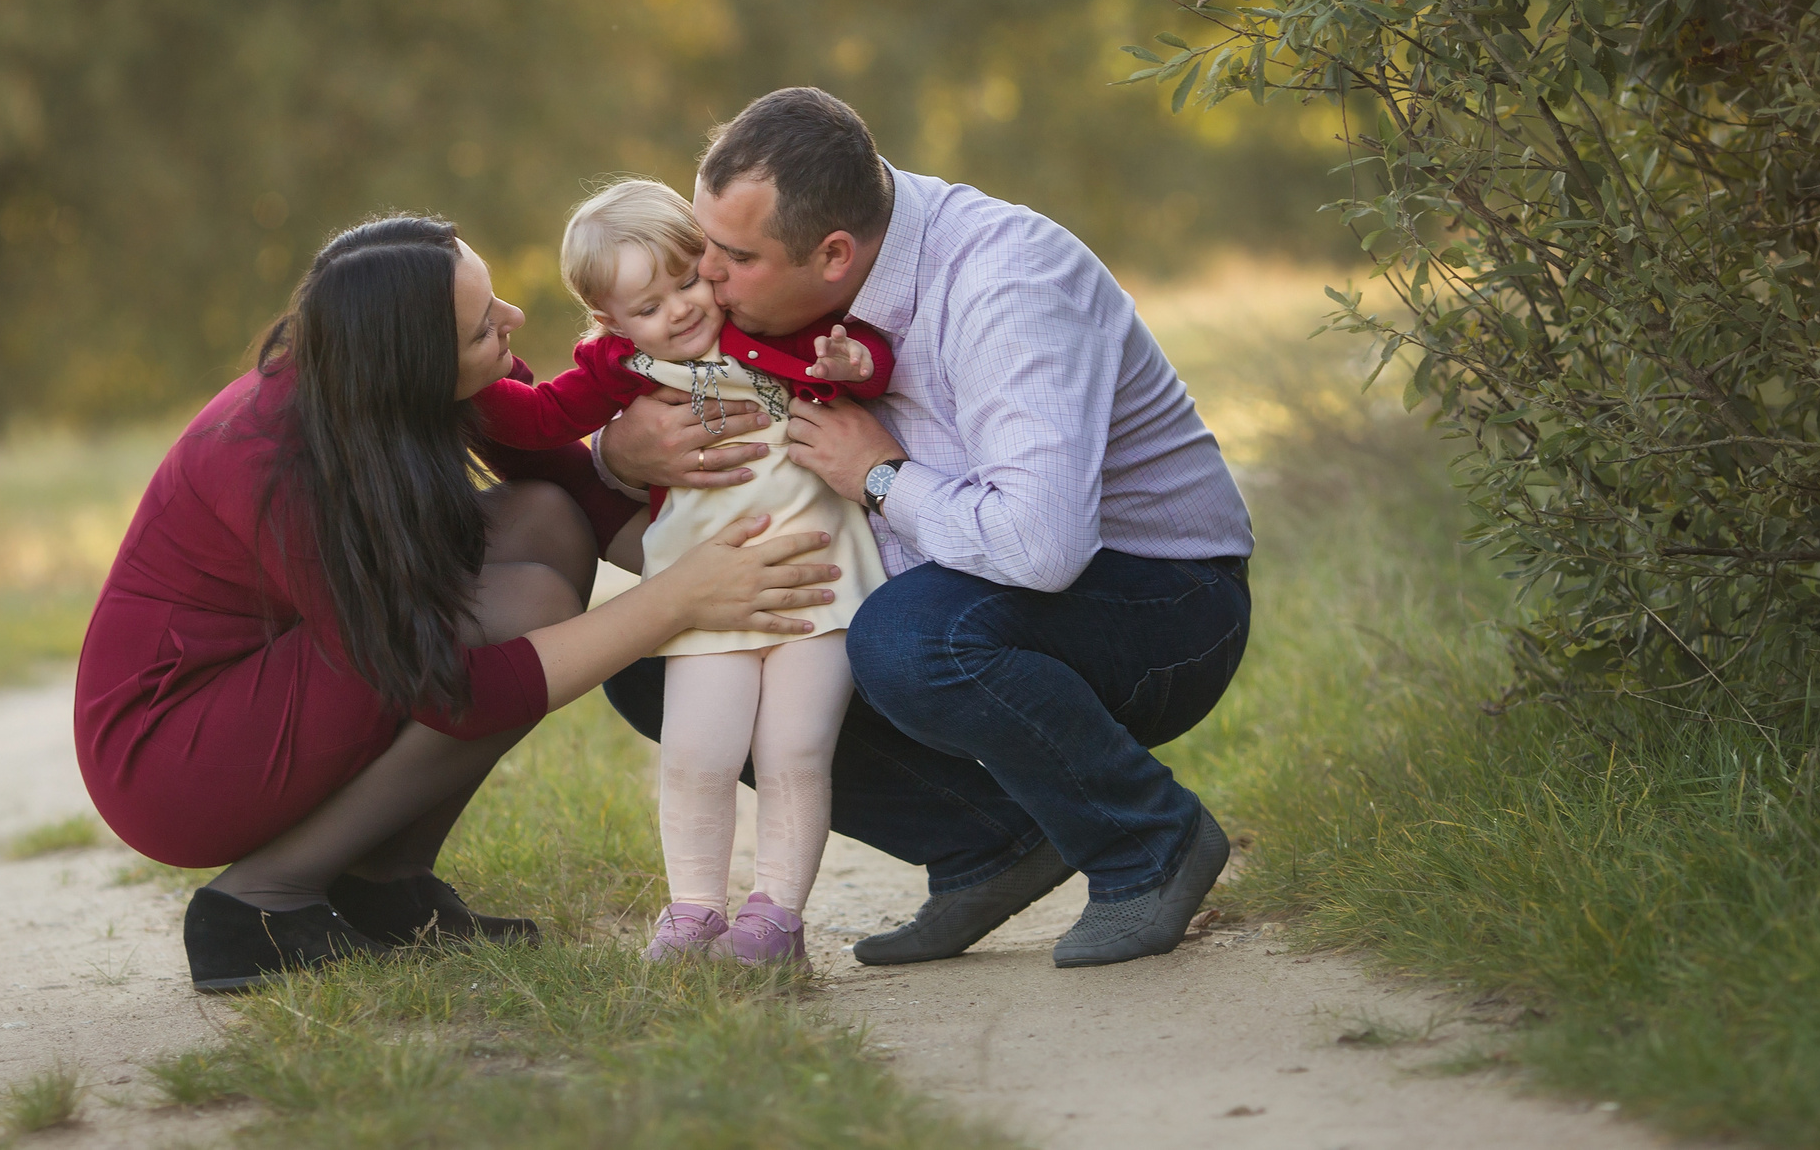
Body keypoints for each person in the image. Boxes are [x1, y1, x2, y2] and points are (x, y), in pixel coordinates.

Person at [73, 215, 843, 992]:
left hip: (276, 673)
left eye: (493, 300)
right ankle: (257, 904)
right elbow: (449, 688)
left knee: (544, 519)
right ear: (413, 360)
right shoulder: (272, 460)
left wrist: (761, 557)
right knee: (526, 602)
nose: (511, 319)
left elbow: (573, 489)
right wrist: (679, 597)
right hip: (173, 751)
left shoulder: (393, 373)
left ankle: (387, 882)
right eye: (483, 327)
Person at [596, 88, 1255, 969]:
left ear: (834, 255)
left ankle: (1148, 841)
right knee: (654, 652)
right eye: (703, 245)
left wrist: (877, 475)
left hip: (1156, 602)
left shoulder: (1005, 284)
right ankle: (987, 844)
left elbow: (1041, 549)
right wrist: (619, 450)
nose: (705, 277)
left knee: (907, 637)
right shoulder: (788, 297)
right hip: (956, 578)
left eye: (733, 256)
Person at [472, 179, 889, 967]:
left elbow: (864, 365)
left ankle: (775, 919)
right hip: (702, 588)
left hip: (818, 576)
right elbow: (538, 417)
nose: (680, 310)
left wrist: (856, 360)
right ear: (611, 322)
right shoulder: (620, 368)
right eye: (649, 305)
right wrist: (448, 384)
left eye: (687, 279)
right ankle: (694, 909)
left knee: (795, 749)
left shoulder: (773, 323)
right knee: (698, 750)